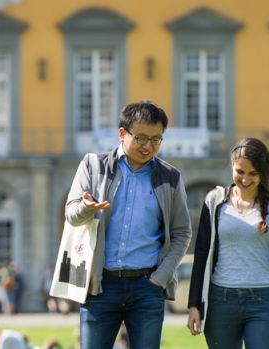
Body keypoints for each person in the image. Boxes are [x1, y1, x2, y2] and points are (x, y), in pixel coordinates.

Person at [64, 100, 192, 349]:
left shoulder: (171, 177)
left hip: (147, 287)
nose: (148, 146)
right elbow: (71, 215)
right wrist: (86, 209)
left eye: (156, 139)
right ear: (122, 133)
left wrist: (161, 277)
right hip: (100, 286)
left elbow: (181, 232)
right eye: (141, 138)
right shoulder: (92, 166)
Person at [186, 137, 269, 349]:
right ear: (232, 167)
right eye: (240, 171)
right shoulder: (214, 200)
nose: (245, 179)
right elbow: (201, 254)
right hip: (220, 301)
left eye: (253, 173)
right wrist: (194, 306)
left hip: (266, 301)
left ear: (263, 173)